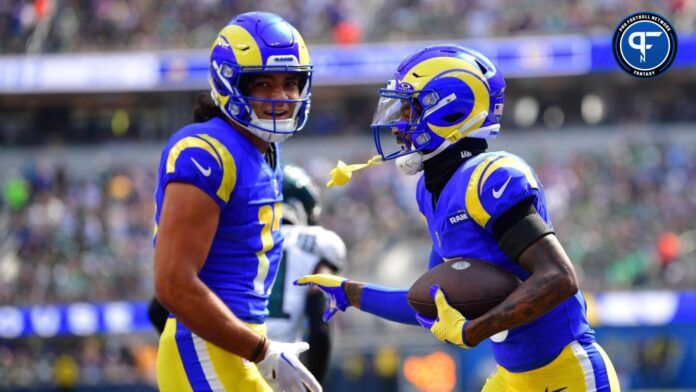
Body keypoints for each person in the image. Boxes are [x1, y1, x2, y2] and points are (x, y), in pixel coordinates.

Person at [297, 45, 620, 391]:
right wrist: (353, 293)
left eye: (408, 110)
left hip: (568, 374)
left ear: (450, 111)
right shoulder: (431, 191)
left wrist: (474, 330)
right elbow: (435, 301)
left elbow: (559, 278)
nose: (396, 126)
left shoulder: (489, 178)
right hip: (511, 379)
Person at [153, 12, 320, 392]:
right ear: (230, 82)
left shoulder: (263, 154)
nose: (280, 98)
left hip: (236, 346)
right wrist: (261, 351)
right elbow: (172, 284)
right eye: (263, 83)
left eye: (291, 84)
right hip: (206, 348)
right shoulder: (206, 151)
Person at [266, 164, 347, 383]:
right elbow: (320, 326)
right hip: (278, 369)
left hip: (225, 363)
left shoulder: (235, 239)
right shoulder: (320, 243)